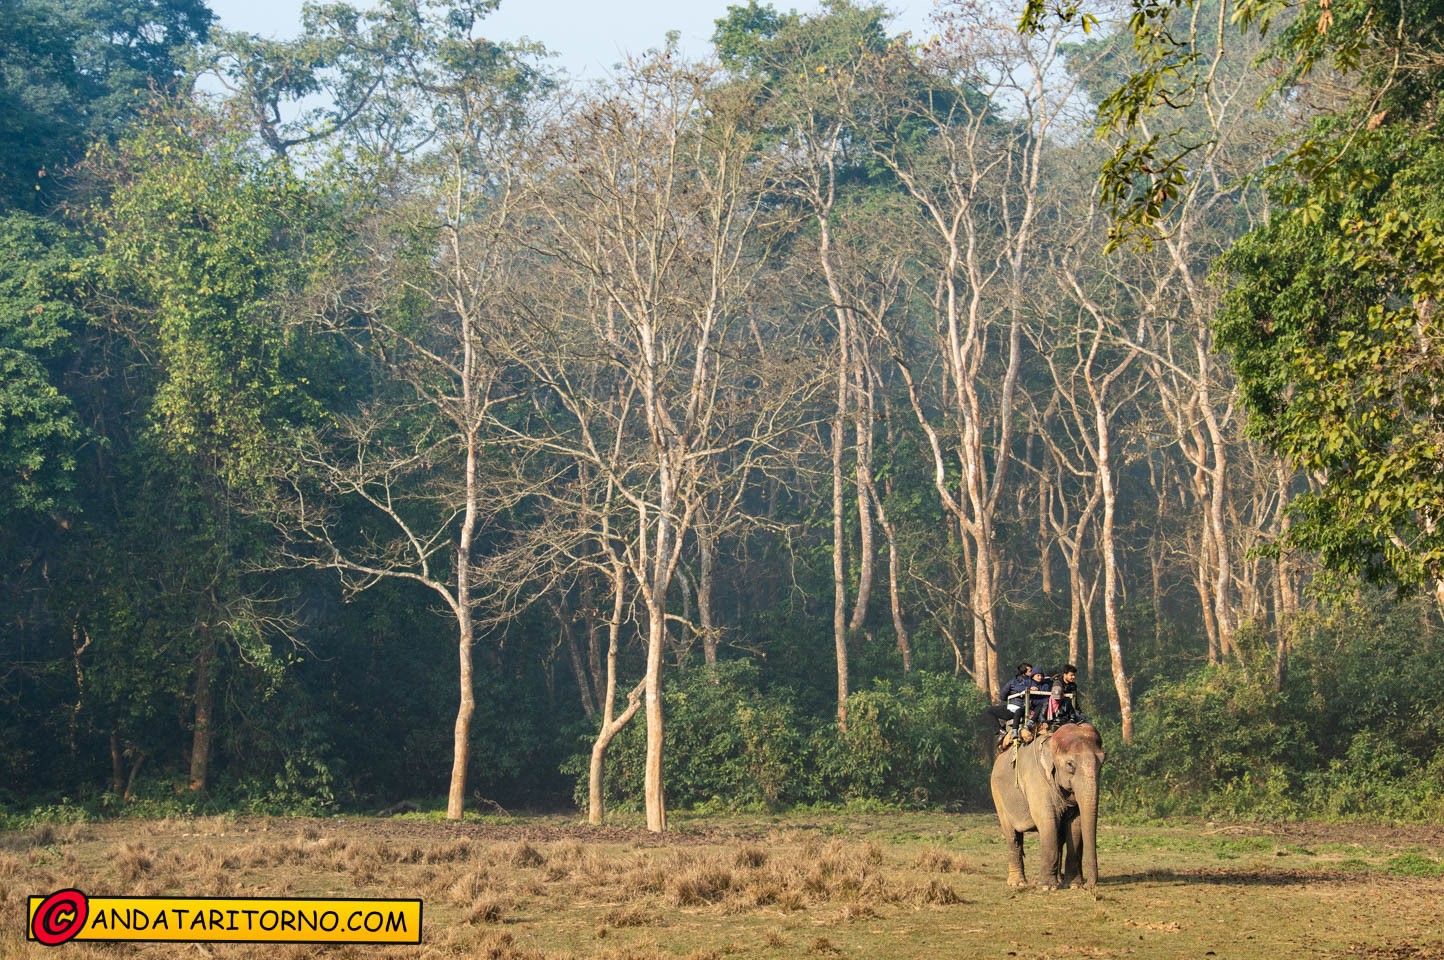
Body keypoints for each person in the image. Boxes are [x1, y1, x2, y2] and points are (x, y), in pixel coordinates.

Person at [985, 662, 1036, 746]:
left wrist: (1012, 698)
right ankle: (1002, 731)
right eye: (1030, 671)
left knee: (990, 711)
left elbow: (1002, 696)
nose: (1032, 673)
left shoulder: (1012, 682)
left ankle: (1000, 731)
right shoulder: (1032, 682)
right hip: (1025, 710)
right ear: (1024, 672)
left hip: (1014, 710)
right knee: (990, 710)